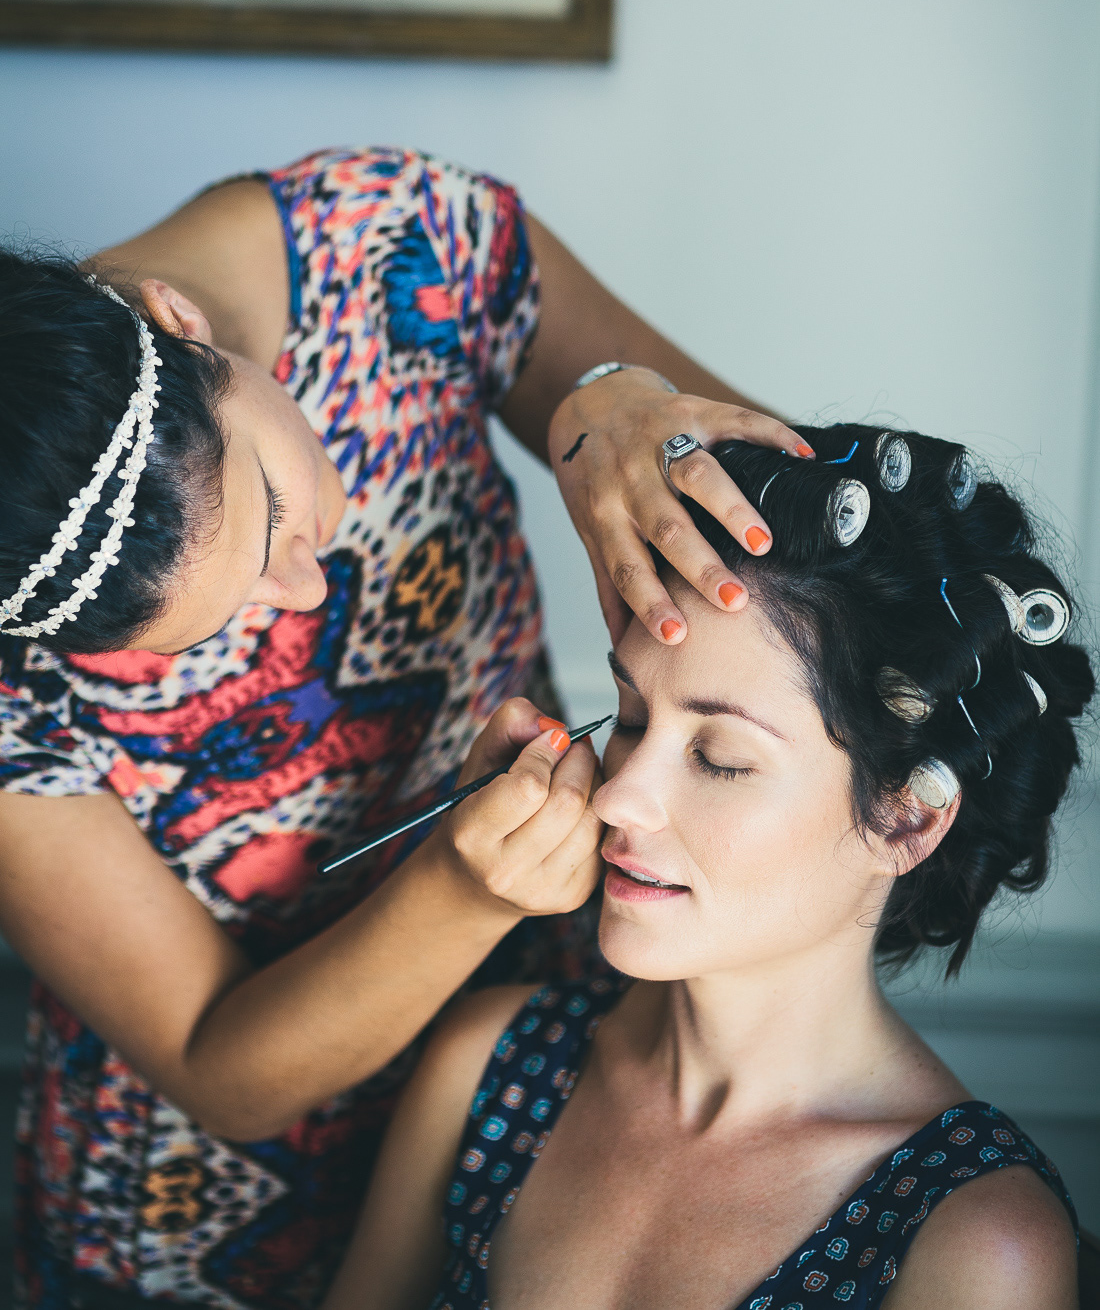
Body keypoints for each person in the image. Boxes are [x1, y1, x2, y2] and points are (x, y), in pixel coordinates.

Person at [0, 146, 809, 1309]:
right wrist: (462, 892)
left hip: (534, 1092)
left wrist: (615, 399)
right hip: (195, 1225)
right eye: (214, 627)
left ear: (178, 324)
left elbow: (804, 573)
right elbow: (221, 1071)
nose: (308, 590)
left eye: (277, 513)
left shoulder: (391, 241)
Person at [323, 423, 1090, 1310]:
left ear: (907, 817)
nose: (616, 798)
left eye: (721, 757)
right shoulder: (487, 1064)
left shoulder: (978, 1241)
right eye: (635, 719)